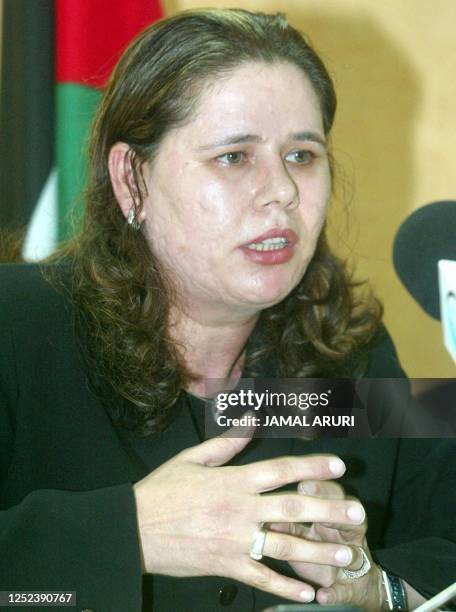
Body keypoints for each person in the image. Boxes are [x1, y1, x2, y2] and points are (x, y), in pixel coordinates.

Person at [0, 8, 454, 612]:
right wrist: (129, 534)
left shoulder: (349, 352)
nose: (283, 192)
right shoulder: (16, 328)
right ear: (131, 180)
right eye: (234, 157)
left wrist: (375, 589)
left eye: (301, 155)